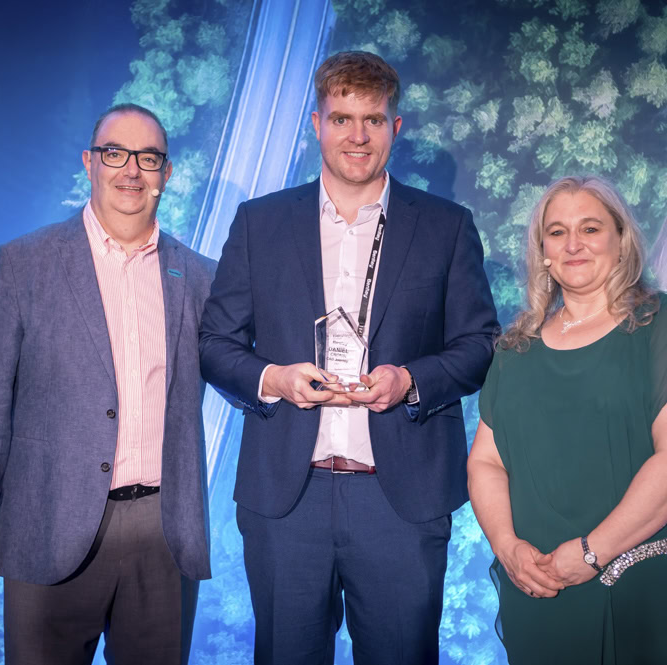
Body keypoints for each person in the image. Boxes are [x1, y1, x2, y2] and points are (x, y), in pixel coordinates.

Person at [199, 51, 498, 664]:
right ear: (317, 125)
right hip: (287, 499)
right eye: (342, 119)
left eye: (373, 120)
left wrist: (409, 380)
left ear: (395, 127)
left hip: (400, 502)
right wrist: (275, 378)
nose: (357, 136)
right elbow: (214, 345)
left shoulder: (446, 227)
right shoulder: (259, 223)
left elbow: (480, 344)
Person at [0, 103, 215, 665]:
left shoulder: (200, 276)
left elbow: (238, 373)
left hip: (164, 535)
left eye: (148, 158)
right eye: (115, 153)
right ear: (89, 162)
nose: (131, 169)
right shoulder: (22, 265)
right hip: (48, 525)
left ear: (166, 173)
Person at [467, 175, 667, 664]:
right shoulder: (516, 349)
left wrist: (590, 553)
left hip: (636, 583)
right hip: (538, 587)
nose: (573, 244)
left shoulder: (664, 324)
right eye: (557, 232)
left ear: (621, 240)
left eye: (590, 228)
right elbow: (485, 463)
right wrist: (508, 548)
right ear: (543, 250)